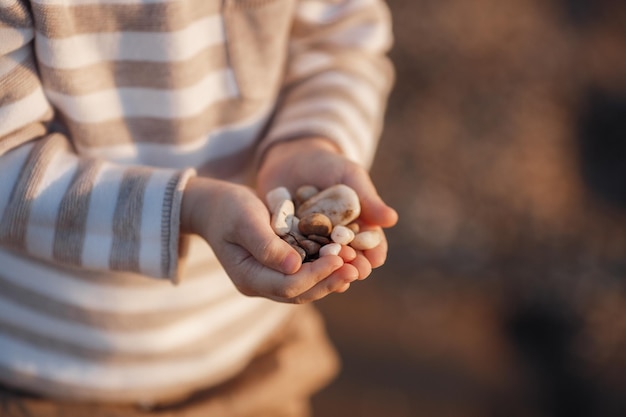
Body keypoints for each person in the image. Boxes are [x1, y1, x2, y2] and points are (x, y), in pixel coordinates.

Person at [0, 0, 398, 415]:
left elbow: (343, 45)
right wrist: (185, 208)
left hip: (249, 355)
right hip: (48, 373)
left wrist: (309, 140)